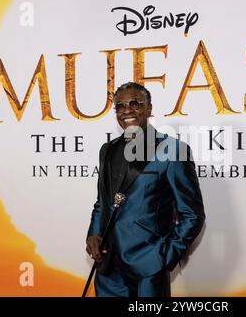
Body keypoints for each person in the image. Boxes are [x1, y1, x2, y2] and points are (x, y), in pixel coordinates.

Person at [86, 82, 205, 297]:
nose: (127, 110)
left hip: (148, 270)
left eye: (135, 103)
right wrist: (94, 232)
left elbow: (193, 215)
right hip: (107, 269)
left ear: (149, 109)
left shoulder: (173, 150)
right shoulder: (108, 149)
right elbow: (102, 201)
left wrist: (164, 257)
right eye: (120, 106)